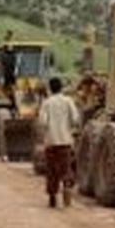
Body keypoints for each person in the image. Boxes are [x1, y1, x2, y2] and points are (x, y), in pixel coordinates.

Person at [38, 76, 81, 208]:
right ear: (61, 87)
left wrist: (46, 131)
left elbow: (43, 122)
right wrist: (69, 128)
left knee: (51, 170)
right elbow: (75, 119)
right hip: (65, 142)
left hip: (51, 142)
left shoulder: (46, 103)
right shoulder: (68, 101)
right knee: (66, 168)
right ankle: (67, 187)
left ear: (50, 88)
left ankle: (52, 197)